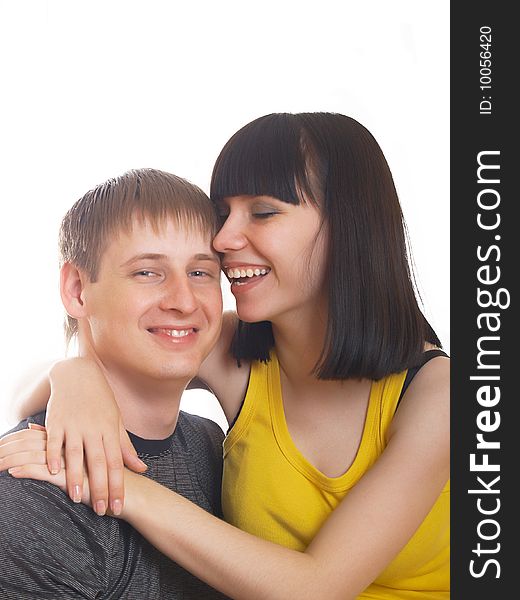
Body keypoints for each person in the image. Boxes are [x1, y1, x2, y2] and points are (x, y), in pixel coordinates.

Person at [3, 113, 450, 599]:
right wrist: (75, 376)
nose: (222, 240)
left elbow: (316, 589)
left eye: (262, 212)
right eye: (224, 213)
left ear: (348, 225)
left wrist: (120, 489)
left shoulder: (440, 393)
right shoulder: (232, 349)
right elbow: (105, 348)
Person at [0, 168, 228, 599]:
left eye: (201, 273)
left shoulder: (211, 447)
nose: (183, 301)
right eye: (147, 272)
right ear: (77, 289)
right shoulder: (35, 494)